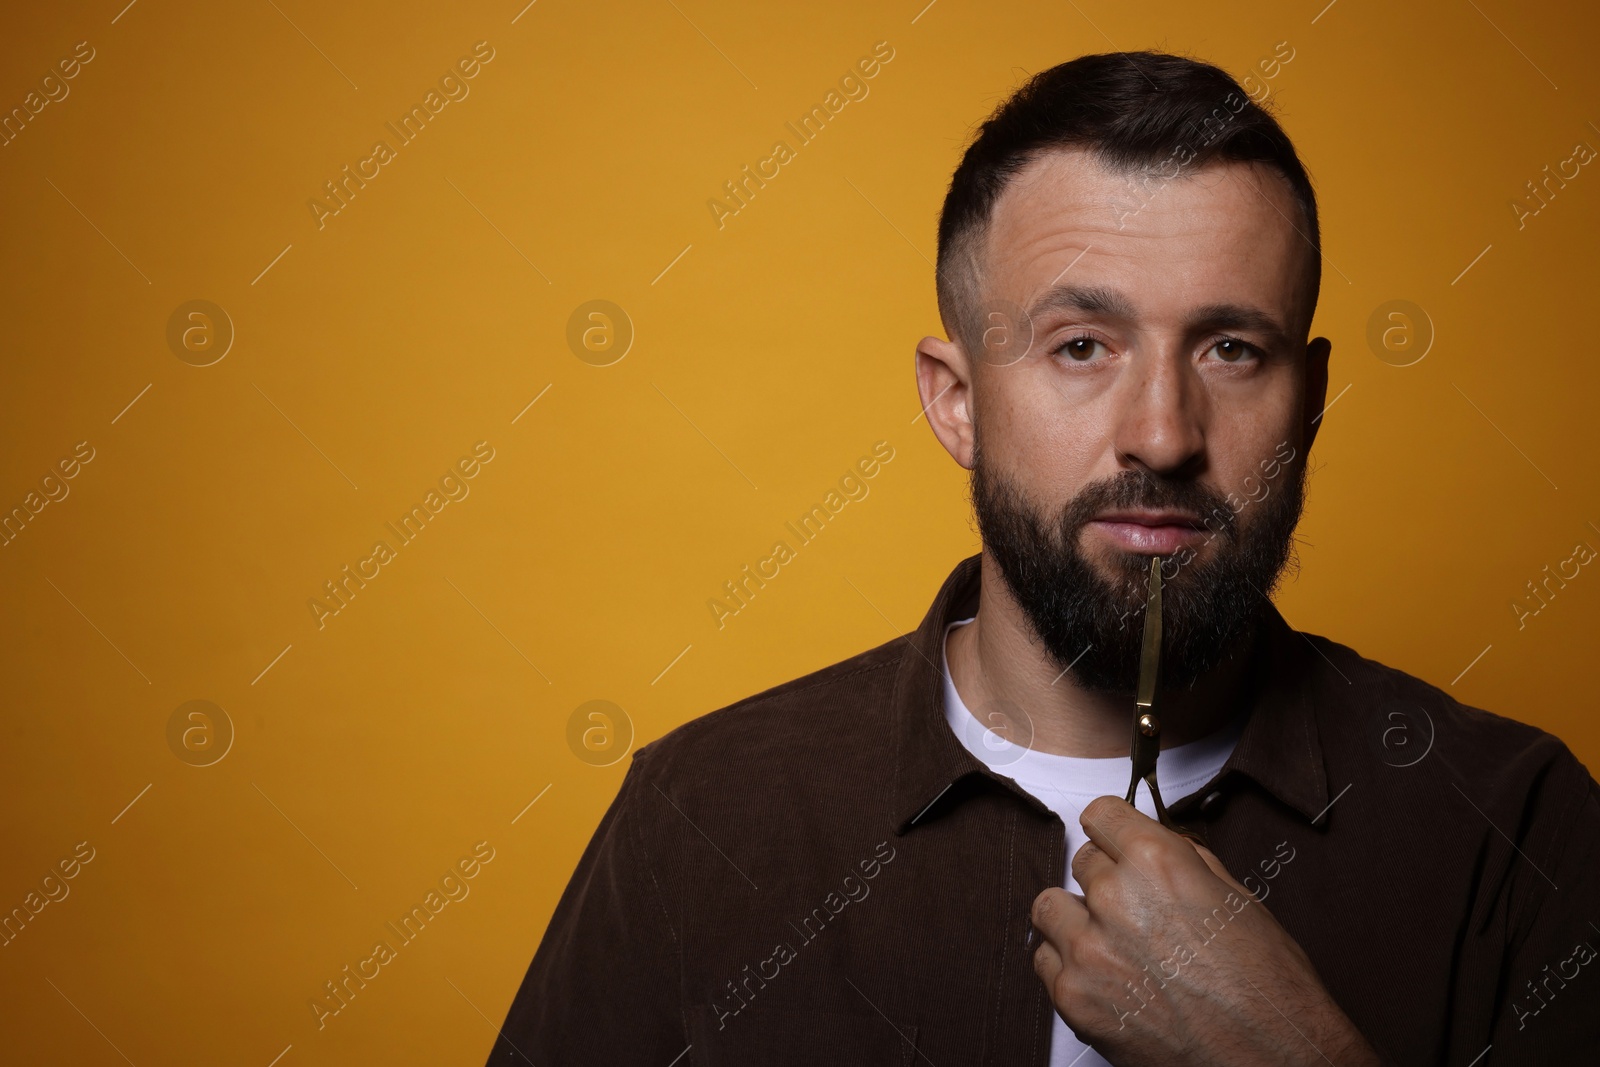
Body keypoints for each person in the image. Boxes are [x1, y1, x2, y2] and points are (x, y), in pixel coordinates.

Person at [489, 51, 1600, 1065]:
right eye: (1080, 346)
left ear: (1305, 403)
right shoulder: (710, 817)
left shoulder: (1513, 825)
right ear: (957, 401)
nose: (1162, 433)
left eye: (1229, 348)